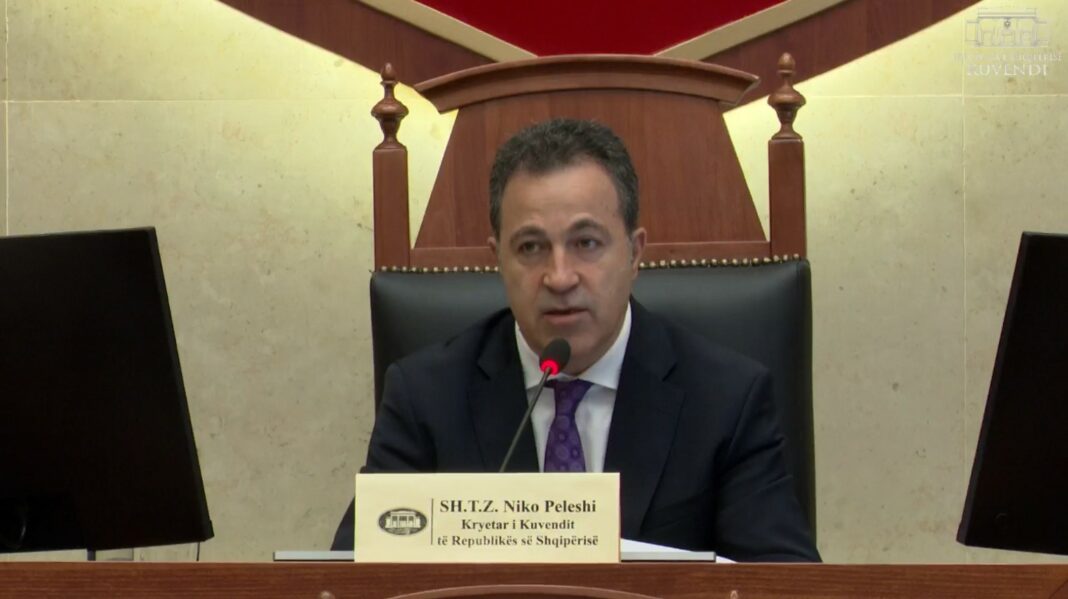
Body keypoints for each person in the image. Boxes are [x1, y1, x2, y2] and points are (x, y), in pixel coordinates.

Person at [332, 118, 819, 562]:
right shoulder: (426, 396)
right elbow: (353, 581)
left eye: (586, 243)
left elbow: (785, 585)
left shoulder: (726, 398)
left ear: (634, 253)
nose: (560, 277)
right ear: (497, 259)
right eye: (531, 247)